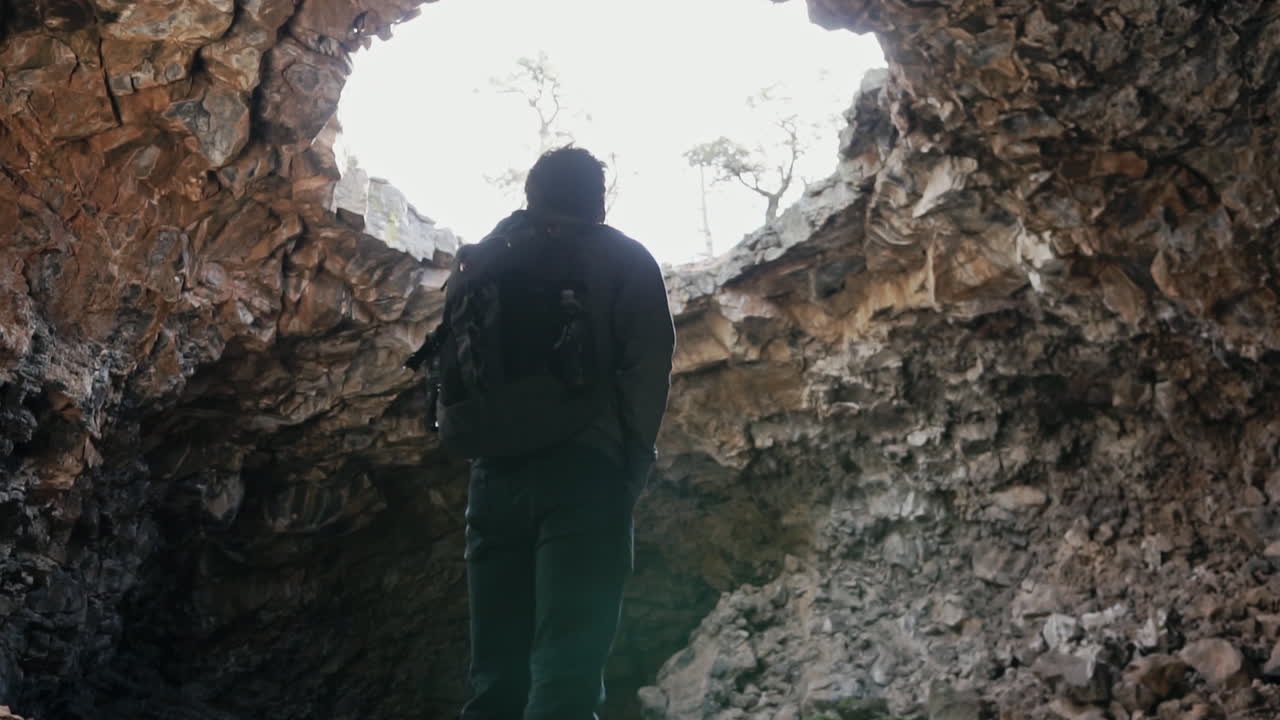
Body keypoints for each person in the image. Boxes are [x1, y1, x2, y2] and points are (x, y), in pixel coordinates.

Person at [418, 146, 675, 720]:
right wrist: (629, 470)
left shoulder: (490, 258)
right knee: (567, 672)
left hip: (492, 477)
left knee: (494, 676)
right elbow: (646, 376)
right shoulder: (625, 260)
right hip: (586, 475)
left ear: (532, 195)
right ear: (598, 201)